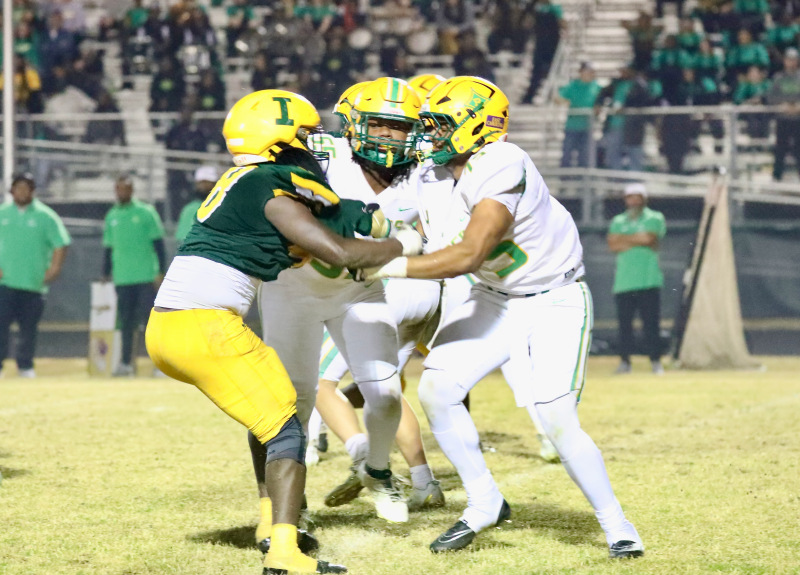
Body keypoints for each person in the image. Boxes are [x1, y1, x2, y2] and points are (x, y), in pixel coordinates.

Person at [357, 76, 644, 558]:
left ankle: (618, 525)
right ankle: (484, 501)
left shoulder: (502, 161)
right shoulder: (437, 176)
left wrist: (382, 264)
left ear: (477, 127)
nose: (430, 134)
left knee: (556, 418)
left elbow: (469, 253)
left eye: (441, 125)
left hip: (554, 298)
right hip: (495, 296)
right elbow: (428, 237)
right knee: (436, 389)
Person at [145, 89, 422, 575]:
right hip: (205, 326)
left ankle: (269, 527)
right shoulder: (271, 186)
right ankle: (285, 553)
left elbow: (326, 211)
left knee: (272, 420)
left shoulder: (248, 180)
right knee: (287, 427)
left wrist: (365, 219)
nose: (311, 146)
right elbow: (340, 252)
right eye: (304, 136)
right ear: (278, 141)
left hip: (169, 327)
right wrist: (401, 243)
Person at [252, 78, 428, 533]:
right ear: (353, 123)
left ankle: (378, 470)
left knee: (385, 393)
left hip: (360, 289)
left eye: (399, 126)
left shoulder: (424, 175)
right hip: (293, 288)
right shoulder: (321, 153)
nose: (388, 134)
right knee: (293, 401)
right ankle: (292, 505)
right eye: (379, 123)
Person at [0, 173, 70, 379]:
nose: (22, 192)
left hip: (34, 283)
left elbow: (61, 243)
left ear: (32, 191)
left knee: (28, 329)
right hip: (5, 282)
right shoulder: (3, 213)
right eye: (18, 188)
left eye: (26, 188)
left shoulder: (45, 216)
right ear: (12, 190)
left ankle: (25, 366)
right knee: (1, 327)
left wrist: (54, 268)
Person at [102, 176, 167, 377]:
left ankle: (160, 365)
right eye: (119, 188)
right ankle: (126, 364)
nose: (122, 192)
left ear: (132, 190)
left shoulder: (146, 212)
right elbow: (108, 248)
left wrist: (161, 271)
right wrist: (105, 273)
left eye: (126, 188)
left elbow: (159, 245)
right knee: (126, 322)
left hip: (145, 276)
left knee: (151, 322)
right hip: (123, 278)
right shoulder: (112, 216)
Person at [607, 183, 667, 375]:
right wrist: (637, 239)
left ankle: (655, 361)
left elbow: (649, 239)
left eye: (637, 197)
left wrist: (625, 239)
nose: (633, 201)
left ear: (643, 199)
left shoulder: (654, 217)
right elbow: (613, 244)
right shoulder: (618, 220)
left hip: (648, 280)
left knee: (651, 325)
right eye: (630, 197)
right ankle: (625, 362)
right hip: (624, 282)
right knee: (624, 326)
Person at [557, 62, 601, 168]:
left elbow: (601, 102)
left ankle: (583, 177)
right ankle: (565, 176)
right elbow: (558, 97)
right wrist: (566, 102)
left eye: (592, 72)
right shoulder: (573, 85)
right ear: (581, 72)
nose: (590, 74)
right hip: (572, 126)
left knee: (585, 155)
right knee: (567, 153)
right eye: (587, 71)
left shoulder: (596, 87)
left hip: (588, 127)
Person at [767, 48, 800, 181]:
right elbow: (771, 97)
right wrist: (782, 105)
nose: (791, 62)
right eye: (788, 59)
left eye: (793, 60)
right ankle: (777, 175)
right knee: (780, 148)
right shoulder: (778, 78)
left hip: (798, 119)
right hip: (783, 118)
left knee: (799, 148)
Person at [175, 166, 219, 244]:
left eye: (207, 183)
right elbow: (183, 239)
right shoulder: (189, 209)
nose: (204, 186)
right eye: (201, 183)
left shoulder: (224, 207)